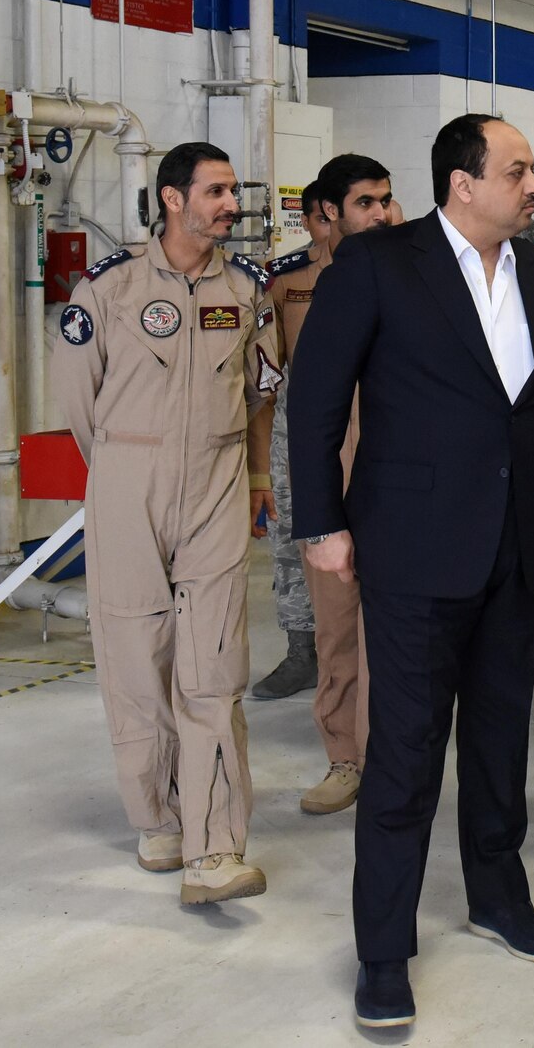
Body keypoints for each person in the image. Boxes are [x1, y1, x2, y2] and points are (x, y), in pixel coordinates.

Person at [287, 115, 534, 1030]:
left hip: (521, 544)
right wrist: (322, 524)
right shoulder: (378, 266)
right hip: (415, 546)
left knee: (501, 738)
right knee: (406, 756)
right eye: (519, 170)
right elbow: (315, 400)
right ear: (464, 184)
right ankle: (383, 950)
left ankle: (497, 895)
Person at [52, 140, 282, 906]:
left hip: (215, 482)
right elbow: (79, 401)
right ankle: (157, 818)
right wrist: (123, 470)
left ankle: (215, 848)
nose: (231, 205)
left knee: (213, 667)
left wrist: (252, 475)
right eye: (216, 192)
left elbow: (259, 394)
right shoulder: (109, 289)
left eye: (232, 192)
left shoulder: (247, 289)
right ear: (173, 199)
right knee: (133, 652)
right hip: (127, 480)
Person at [248, 155, 395, 816]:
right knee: (336, 624)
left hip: (402, 471)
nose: (383, 214)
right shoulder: (291, 282)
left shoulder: (418, 274)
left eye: (387, 201)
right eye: (367, 202)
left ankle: (395, 751)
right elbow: (271, 388)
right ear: (326, 213)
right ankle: (346, 756)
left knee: (400, 628)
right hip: (330, 463)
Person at [252, 177, 332, 702]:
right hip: (297, 427)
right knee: (291, 540)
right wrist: (261, 469)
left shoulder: (396, 270)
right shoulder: (284, 278)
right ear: (307, 220)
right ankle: (302, 651)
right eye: (321, 219)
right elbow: (265, 381)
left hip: (370, 422)